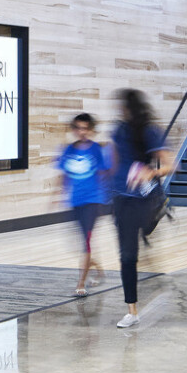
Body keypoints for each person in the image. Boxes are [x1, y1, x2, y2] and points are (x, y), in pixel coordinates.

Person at [109, 88, 172, 329]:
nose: (120, 111)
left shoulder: (149, 130)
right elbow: (114, 160)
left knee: (146, 228)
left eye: (124, 106)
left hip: (144, 198)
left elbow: (170, 164)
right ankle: (131, 311)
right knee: (127, 256)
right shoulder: (118, 130)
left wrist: (151, 172)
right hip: (122, 200)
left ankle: (160, 208)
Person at [53, 113, 110, 296]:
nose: (82, 132)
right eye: (78, 128)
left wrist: (106, 195)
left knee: (86, 242)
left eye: (85, 128)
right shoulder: (68, 150)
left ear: (91, 130)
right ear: (74, 130)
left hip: (92, 202)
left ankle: (80, 284)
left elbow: (103, 173)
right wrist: (57, 195)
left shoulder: (96, 150)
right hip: (75, 202)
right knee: (80, 245)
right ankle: (98, 269)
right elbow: (64, 175)